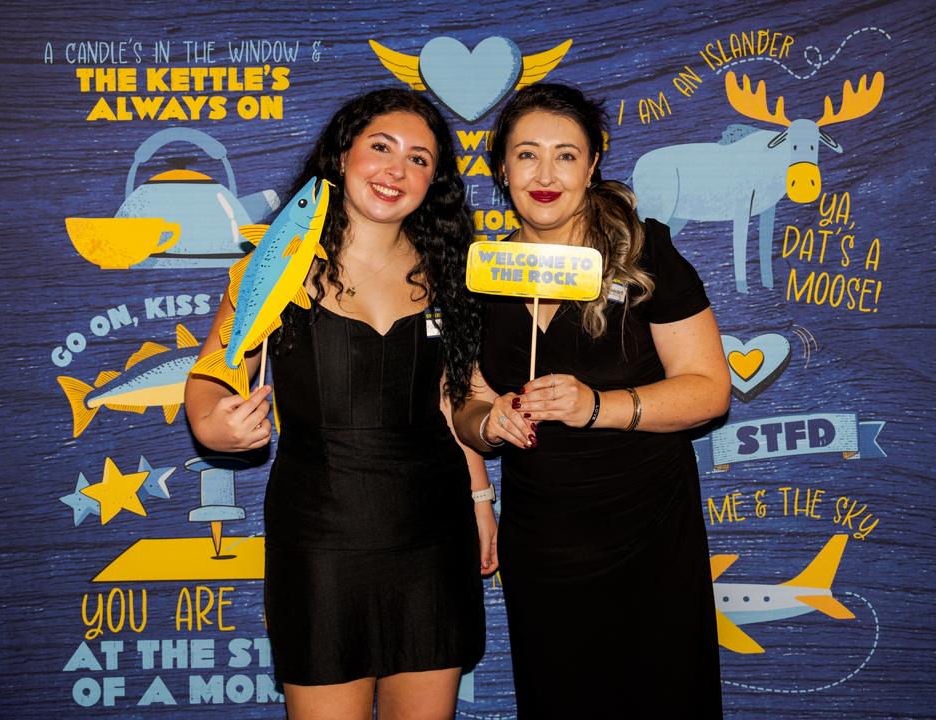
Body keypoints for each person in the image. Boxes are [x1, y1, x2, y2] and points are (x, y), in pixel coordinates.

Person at [185, 88, 496, 720]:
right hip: (321, 533)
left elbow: (451, 402)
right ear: (342, 153)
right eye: (381, 147)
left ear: (433, 182)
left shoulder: (453, 272)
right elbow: (213, 378)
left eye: (419, 159)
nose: (395, 170)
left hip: (434, 532)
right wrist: (214, 424)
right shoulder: (275, 266)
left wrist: (481, 500)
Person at [453, 83, 731, 718]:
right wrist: (489, 422)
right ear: (501, 166)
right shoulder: (482, 274)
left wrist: (595, 406)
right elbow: (466, 405)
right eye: (527, 155)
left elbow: (710, 390)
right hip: (543, 540)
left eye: (565, 155)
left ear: (593, 163)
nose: (545, 175)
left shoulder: (642, 251)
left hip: (648, 534)